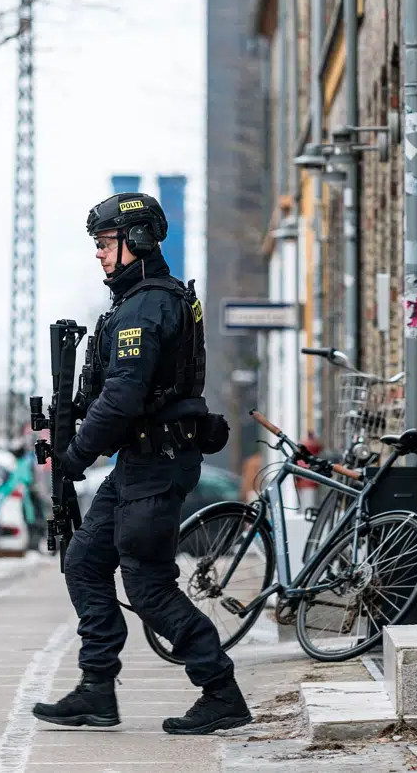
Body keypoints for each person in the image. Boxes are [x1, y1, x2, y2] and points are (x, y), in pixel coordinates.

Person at [32, 193, 252, 735]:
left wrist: (76, 454)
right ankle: (96, 690)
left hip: (159, 463)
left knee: (149, 586)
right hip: (140, 462)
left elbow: (125, 397)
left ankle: (220, 691)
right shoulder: (132, 304)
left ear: (138, 241)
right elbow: (121, 392)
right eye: (98, 246)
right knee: (83, 562)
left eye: (106, 244)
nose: (100, 256)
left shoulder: (148, 306)